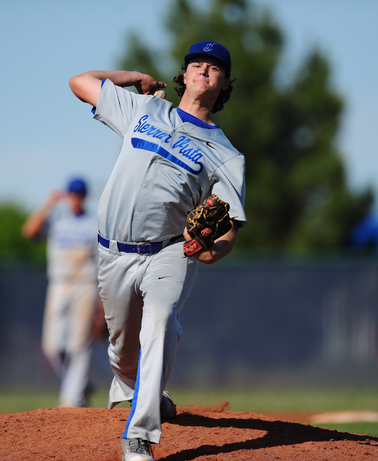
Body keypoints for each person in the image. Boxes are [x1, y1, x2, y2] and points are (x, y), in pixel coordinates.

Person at [69, 41, 246, 461]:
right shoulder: (143, 110)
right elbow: (80, 83)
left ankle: (140, 436)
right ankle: (142, 389)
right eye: (196, 65)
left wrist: (212, 251)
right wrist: (135, 79)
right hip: (112, 252)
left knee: (161, 321)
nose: (204, 71)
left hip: (170, 251)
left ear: (224, 86)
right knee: (123, 352)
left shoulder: (227, 156)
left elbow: (229, 227)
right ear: (182, 76)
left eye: (214, 68)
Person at [21, 177, 104, 408]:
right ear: (67, 196)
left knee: (80, 343)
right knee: (52, 346)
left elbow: (102, 263)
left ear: (84, 197)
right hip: (58, 284)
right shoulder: (57, 221)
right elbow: (29, 231)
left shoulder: (93, 224)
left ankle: (71, 401)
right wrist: (49, 203)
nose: (76, 198)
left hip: (85, 285)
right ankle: (80, 385)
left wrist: (101, 302)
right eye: (72, 194)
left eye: (79, 194)